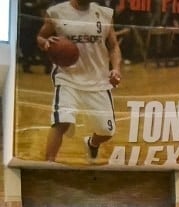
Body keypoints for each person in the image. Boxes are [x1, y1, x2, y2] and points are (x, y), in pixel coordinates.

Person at [38, 0, 122, 162]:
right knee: (61, 122)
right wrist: (45, 43)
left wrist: (116, 68)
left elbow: (113, 46)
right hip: (67, 78)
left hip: (98, 81)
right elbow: (41, 37)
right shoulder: (56, 12)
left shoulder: (104, 13)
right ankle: (48, 166)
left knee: (106, 132)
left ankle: (92, 143)